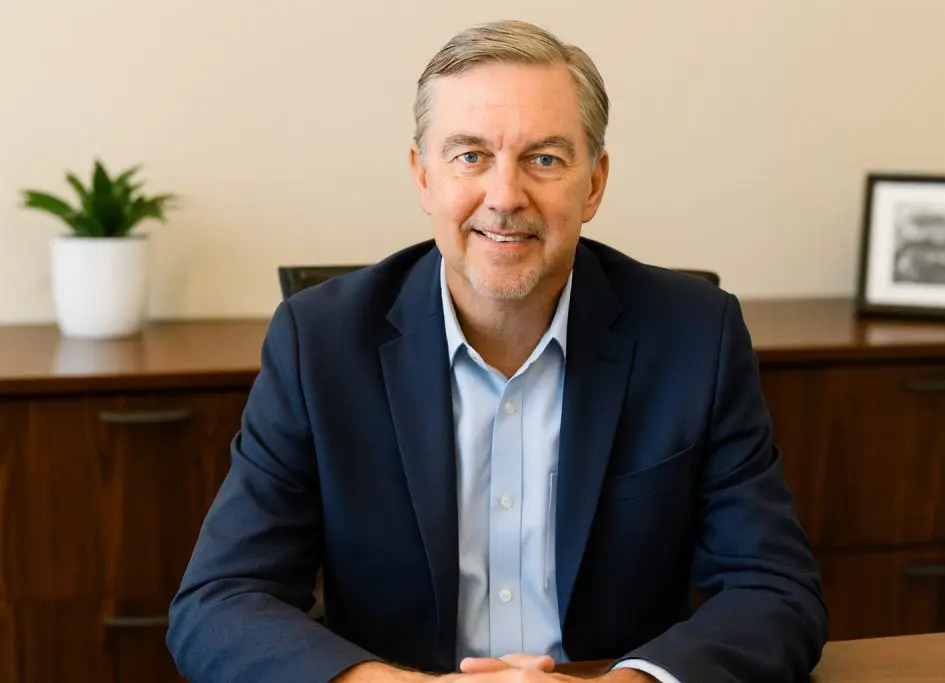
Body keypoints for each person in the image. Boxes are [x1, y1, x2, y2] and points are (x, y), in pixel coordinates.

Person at [167, 19, 828, 683]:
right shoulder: (320, 345)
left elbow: (774, 590)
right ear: (423, 177)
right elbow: (219, 601)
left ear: (593, 184)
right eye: (470, 157)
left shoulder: (694, 337)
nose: (506, 196)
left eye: (545, 158)